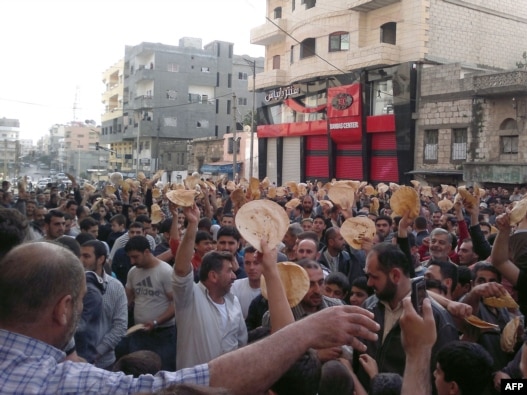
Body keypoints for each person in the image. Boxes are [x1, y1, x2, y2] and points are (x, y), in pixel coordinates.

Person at [0, 239, 381, 394]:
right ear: (63, 308)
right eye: (82, 303)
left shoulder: (234, 300)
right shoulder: (64, 383)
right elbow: (188, 384)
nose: (236, 274)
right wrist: (306, 333)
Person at [354, 243, 458, 390]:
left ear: (395, 275)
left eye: (374, 277)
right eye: (367, 275)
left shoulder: (436, 318)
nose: (369, 283)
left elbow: (443, 382)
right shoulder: (368, 306)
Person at [173, 204, 247, 369]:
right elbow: (180, 269)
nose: (235, 276)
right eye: (229, 271)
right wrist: (193, 224)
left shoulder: (233, 301)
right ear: (213, 276)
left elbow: (241, 343)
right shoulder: (190, 299)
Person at [125, 235, 176, 370]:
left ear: (147, 252)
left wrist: (156, 322)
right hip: (139, 334)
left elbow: (175, 304)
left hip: (163, 334)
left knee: (162, 369)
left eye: (135, 257)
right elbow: (128, 298)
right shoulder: (133, 272)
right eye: (130, 257)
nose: (132, 261)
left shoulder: (165, 271)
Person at [80, 239, 127, 369]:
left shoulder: (115, 287)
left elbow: (120, 326)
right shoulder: (72, 284)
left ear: (101, 259)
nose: (81, 260)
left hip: (104, 363)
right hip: (74, 361)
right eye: (80, 256)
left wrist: (96, 354)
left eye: (87, 256)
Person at [230, 246, 263, 319]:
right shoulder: (235, 286)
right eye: (247, 263)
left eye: (256, 263)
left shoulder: (272, 290)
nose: (251, 267)